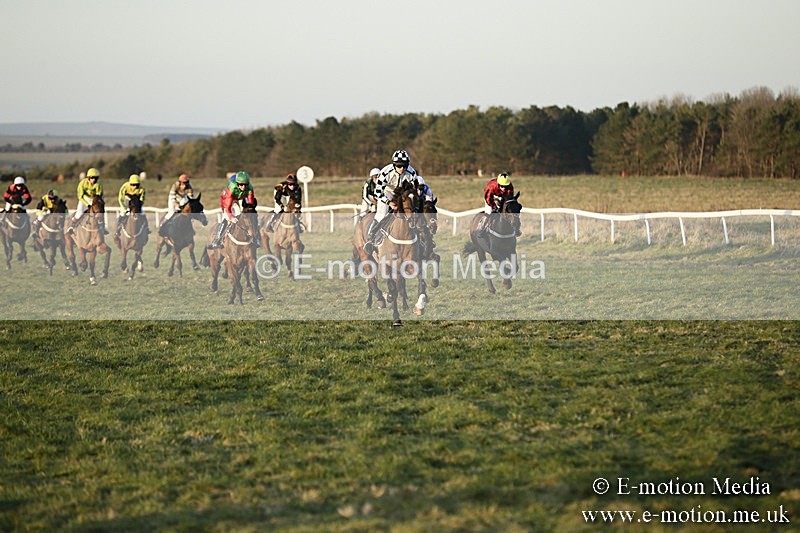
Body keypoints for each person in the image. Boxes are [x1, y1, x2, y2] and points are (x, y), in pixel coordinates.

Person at [364, 149, 419, 253]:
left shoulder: (412, 173)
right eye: (399, 166)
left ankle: (422, 238)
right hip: (387, 192)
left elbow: (413, 190)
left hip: (403, 193)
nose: (402, 169)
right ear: (394, 165)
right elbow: (378, 192)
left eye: (405, 166)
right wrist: (389, 202)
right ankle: (371, 239)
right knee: (382, 213)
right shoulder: (385, 172)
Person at [207, 170, 257, 249]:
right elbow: (228, 207)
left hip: (240, 198)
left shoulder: (250, 188)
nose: (244, 187)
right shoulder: (231, 188)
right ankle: (217, 240)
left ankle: (255, 238)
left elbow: (250, 203)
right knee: (227, 218)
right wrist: (231, 217)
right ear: (237, 183)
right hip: (227, 201)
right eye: (241, 184)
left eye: (246, 184)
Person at [477, 172, 521, 238]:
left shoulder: (510, 186)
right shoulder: (491, 186)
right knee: (489, 212)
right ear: (498, 184)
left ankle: (515, 229)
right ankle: (482, 228)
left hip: (502, 197)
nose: (504, 188)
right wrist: (494, 207)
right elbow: (488, 199)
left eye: (506, 186)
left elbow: (509, 199)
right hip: (491, 198)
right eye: (502, 186)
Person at [68, 167, 106, 235]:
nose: (94, 180)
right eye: (92, 178)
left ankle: (102, 227)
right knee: (79, 213)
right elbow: (80, 196)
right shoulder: (82, 183)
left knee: (100, 211)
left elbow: (99, 195)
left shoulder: (99, 184)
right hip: (84, 199)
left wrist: (96, 202)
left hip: (94, 199)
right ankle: (72, 226)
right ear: (88, 178)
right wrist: (87, 204)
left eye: (96, 178)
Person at [115, 173, 149, 240]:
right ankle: (117, 230)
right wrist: (124, 208)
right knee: (122, 214)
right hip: (126, 203)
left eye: (136, 185)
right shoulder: (125, 187)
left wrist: (138, 207)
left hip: (136, 204)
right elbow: (120, 198)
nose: (135, 187)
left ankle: (146, 228)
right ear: (130, 183)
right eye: (133, 185)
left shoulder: (142, 189)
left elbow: (142, 200)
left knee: (142, 213)